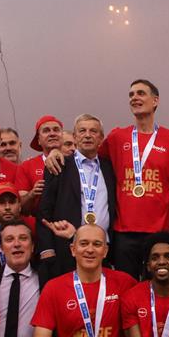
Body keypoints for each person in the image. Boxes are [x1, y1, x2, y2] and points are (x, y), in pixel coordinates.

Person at [99, 80, 169, 278]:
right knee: (125, 285)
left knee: (159, 286)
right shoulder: (117, 137)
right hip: (124, 230)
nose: (134, 98)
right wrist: (54, 153)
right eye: (131, 95)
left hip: (161, 230)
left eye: (140, 93)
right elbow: (88, 159)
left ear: (155, 101)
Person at [38, 114, 117, 280]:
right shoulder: (59, 164)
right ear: (74, 136)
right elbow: (44, 210)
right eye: (82, 131)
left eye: (93, 131)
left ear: (101, 138)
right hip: (67, 247)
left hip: (103, 250)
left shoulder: (110, 167)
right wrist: (47, 249)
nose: (87, 135)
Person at [17, 116, 63, 215]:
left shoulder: (75, 162)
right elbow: (21, 208)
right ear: (38, 140)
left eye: (56, 130)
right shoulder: (26, 166)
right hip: (40, 220)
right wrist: (32, 194)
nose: (52, 134)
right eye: (46, 131)